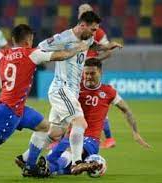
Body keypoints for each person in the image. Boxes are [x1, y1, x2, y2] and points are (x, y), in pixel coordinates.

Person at [0, 24, 89, 183]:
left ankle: (30, 166)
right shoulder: (32, 54)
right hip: (7, 113)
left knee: (44, 127)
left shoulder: (2, 54)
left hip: (18, 108)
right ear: (29, 39)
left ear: (13, 40)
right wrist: (79, 48)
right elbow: (61, 55)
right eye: (32, 38)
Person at [16, 11, 122, 176]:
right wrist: (58, 56)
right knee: (81, 123)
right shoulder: (63, 38)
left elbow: (94, 45)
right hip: (62, 89)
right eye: (93, 29)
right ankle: (77, 163)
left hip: (70, 93)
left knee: (55, 132)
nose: (94, 33)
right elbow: (39, 49)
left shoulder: (87, 39)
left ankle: (25, 158)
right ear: (82, 25)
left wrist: (109, 46)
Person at [39, 58, 151, 175]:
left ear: (100, 73)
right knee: (53, 165)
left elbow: (126, 110)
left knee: (69, 152)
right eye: (86, 73)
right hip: (71, 136)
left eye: (92, 73)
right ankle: (49, 169)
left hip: (91, 139)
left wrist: (135, 133)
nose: (88, 77)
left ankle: (76, 165)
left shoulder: (109, 92)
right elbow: (61, 109)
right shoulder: (75, 89)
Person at [78, 4, 116, 149]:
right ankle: (65, 138)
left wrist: (94, 63)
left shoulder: (98, 32)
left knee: (97, 104)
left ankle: (109, 138)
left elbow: (109, 51)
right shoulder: (75, 32)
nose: (84, 13)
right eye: (81, 11)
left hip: (90, 74)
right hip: (77, 74)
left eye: (87, 11)